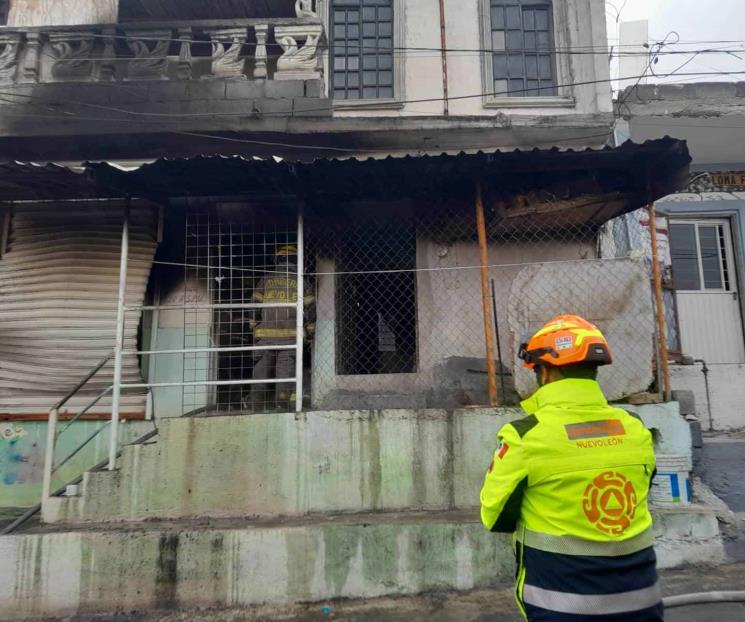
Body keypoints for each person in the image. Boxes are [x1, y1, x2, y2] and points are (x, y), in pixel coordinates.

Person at [480, 315, 662, 621]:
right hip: (641, 603)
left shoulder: (526, 435)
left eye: (537, 369)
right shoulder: (635, 428)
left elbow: (494, 514)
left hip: (562, 606)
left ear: (548, 372)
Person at [247, 244, 314, 411]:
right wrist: (310, 334)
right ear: (297, 261)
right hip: (290, 338)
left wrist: (253, 323)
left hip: (266, 338)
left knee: (261, 373)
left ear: (277, 260)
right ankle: (282, 407)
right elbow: (311, 311)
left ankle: (255, 407)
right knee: (285, 374)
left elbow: (254, 305)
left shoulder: (266, 279)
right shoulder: (302, 282)